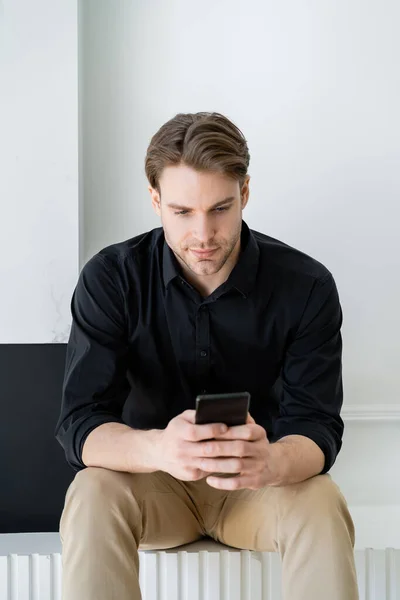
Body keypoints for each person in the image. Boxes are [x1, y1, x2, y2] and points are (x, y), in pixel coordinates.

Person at [55, 111, 359, 600]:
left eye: (220, 208)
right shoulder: (111, 278)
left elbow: (319, 426)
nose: (203, 234)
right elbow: (80, 426)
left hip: (259, 490)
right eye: (182, 212)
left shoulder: (306, 286)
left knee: (322, 499)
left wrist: (273, 461)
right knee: (92, 491)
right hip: (153, 487)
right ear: (155, 201)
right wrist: (160, 449)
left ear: (245, 194)